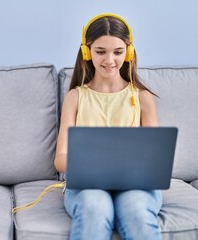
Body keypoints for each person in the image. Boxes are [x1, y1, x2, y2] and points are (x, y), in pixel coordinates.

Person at [54, 13, 162, 240]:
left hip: (135, 186)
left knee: (135, 210)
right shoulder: (75, 97)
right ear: (87, 52)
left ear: (129, 52)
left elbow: (154, 159)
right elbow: (60, 160)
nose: (109, 60)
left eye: (118, 52)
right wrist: (90, 164)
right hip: (85, 186)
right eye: (100, 51)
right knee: (95, 206)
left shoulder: (142, 98)